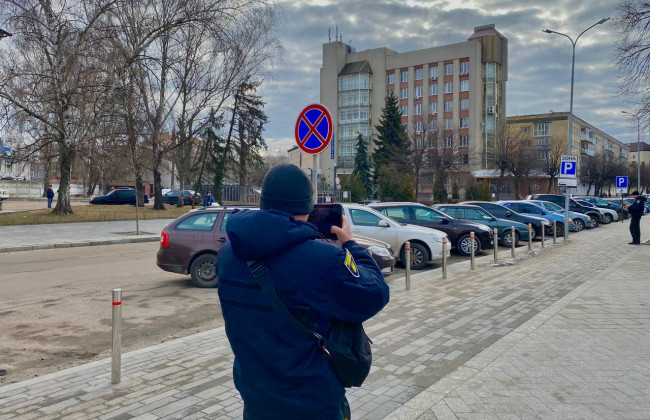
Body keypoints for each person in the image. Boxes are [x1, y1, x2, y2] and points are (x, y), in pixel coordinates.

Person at [217, 164, 389, 420]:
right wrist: (351, 245)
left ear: (263, 202)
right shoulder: (325, 258)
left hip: (256, 400)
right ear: (307, 207)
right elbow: (375, 293)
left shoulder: (228, 255)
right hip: (313, 404)